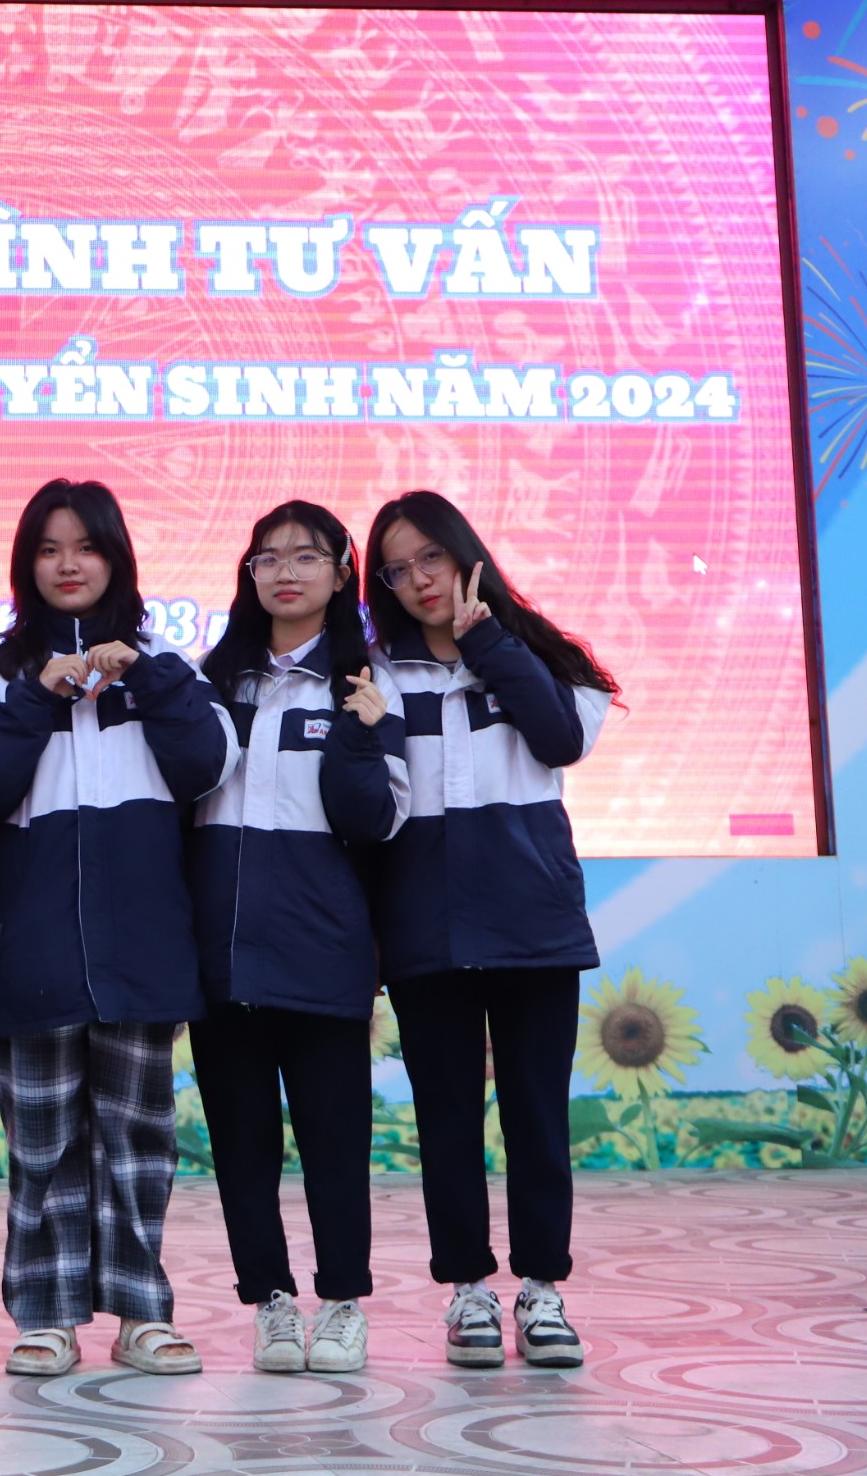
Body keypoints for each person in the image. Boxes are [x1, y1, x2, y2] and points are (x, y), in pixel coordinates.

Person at [0, 479, 236, 1378]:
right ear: (25, 565)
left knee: (139, 1141)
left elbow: (206, 766)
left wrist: (145, 675)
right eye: (48, 549)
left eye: (85, 547)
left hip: (142, 946)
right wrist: (36, 697)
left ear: (116, 557)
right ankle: (46, 1316)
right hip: (30, 947)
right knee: (42, 1144)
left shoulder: (168, 665)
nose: (67, 564)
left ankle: (142, 1313)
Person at [364, 490, 616, 1371]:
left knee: (537, 1118)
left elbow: (558, 741)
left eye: (430, 557)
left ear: (465, 553)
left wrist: (488, 643)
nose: (418, 579)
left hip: (532, 924)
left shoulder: (542, 657)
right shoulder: (378, 676)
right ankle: (467, 1289)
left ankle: (543, 1290)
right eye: (397, 569)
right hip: (426, 931)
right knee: (446, 1122)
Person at [190, 500, 407, 1375]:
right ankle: (271, 1304)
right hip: (222, 956)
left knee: (333, 1138)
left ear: (342, 573)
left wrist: (359, 734)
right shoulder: (213, 681)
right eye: (267, 557)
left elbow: (379, 820)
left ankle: (343, 1302)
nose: (285, 572)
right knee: (241, 1142)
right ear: (248, 575)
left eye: (306, 556)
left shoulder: (369, 682)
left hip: (324, 953)